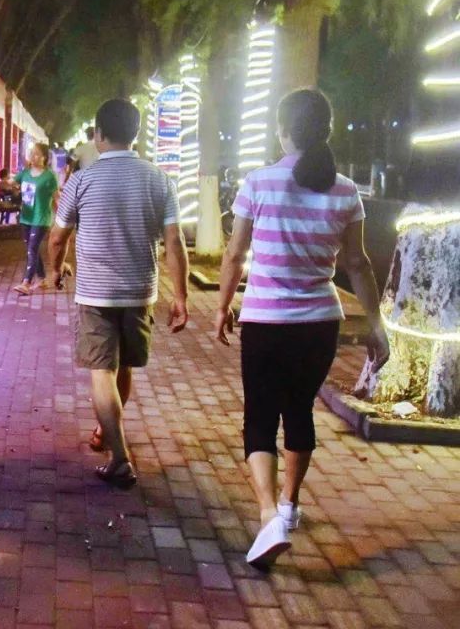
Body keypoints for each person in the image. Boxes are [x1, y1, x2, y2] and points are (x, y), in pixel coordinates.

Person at [214, 89, 389, 570]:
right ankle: (290, 505)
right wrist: (377, 325)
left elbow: (233, 254)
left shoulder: (259, 183)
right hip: (319, 325)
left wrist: (223, 305)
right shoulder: (346, 191)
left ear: (283, 129)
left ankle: (269, 515)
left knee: (259, 418)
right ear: (326, 132)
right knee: (299, 410)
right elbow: (357, 263)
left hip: (266, 321)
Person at [49, 98, 189, 488]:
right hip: (140, 291)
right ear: (136, 134)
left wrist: (54, 270)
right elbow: (174, 243)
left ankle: (121, 457)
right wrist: (180, 296)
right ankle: (106, 432)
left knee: (102, 372)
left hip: (95, 293)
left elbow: (59, 237)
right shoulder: (160, 180)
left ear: (98, 135)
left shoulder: (82, 179)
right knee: (122, 367)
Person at [13, 144, 59, 295]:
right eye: (32, 153)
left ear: (45, 157)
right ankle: (42, 279)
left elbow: (56, 198)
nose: (34, 156)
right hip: (26, 217)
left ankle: (26, 282)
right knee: (31, 249)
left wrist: (62, 220)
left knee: (32, 249)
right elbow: (13, 183)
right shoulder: (25, 173)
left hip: (41, 218)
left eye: (38, 154)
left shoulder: (49, 176)